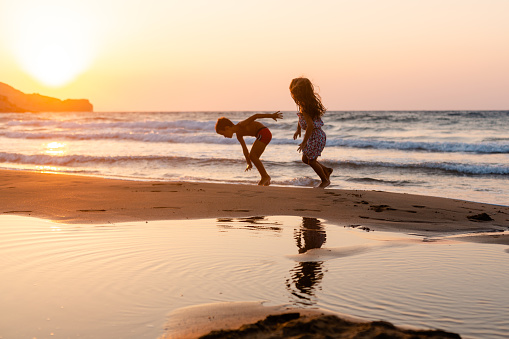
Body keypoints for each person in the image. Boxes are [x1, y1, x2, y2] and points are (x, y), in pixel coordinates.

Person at [215, 111, 283, 186]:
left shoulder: (241, 124)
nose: (224, 136)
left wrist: (271, 115)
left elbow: (255, 116)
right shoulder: (239, 135)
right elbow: (245, 149)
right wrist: (248, 162)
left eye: (223, 134)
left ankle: (265, 177)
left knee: (253, 156)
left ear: (227, 128)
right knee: (254, 157)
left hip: (263, 132)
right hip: (262, 135)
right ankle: (266, 180)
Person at [289, 77, 332, 188]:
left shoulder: (305, 107)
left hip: (316, 136)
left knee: (311, 161)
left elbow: (310, 126)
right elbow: (303, 120)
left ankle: (325, 180)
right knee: (305, 159)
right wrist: (298, 129)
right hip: (314, 135)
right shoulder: (305, 104)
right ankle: (326, 170)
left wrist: (304, 142)